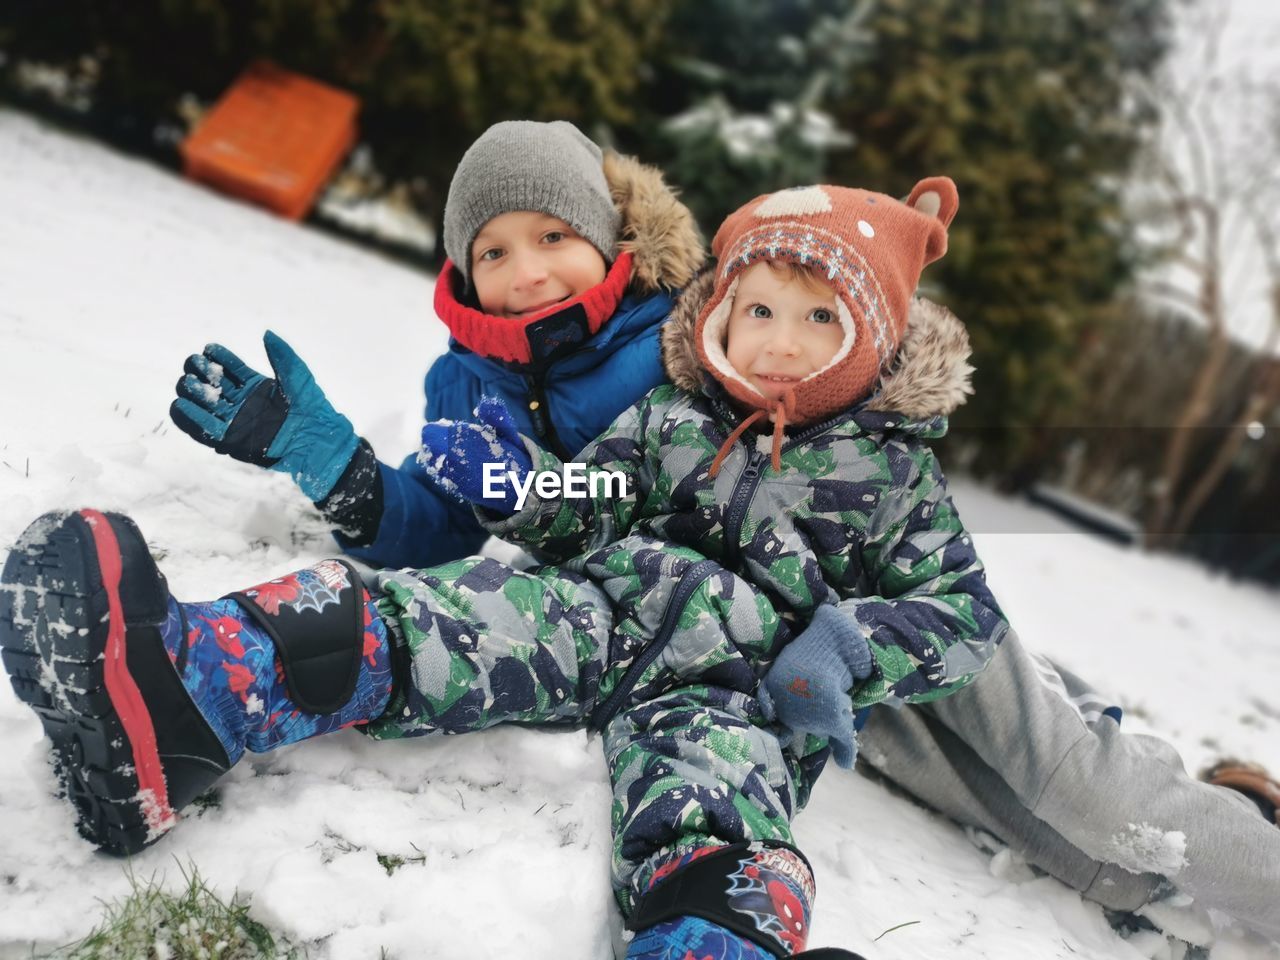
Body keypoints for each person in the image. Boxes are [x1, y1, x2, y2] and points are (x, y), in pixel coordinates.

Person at [0, 177, 998, 959]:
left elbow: (961, 615)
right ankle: (185, 697)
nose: (782, 343)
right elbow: (598, 503)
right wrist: (526, 494)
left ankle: (719, 944)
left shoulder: (891, 476)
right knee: (428, 620)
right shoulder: (668, 416)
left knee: (717, 813)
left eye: (820, 319)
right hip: (598, 606)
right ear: (719, 314)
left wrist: (843, 651)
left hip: (737, 688)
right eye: (762, 310)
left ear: (872, 343)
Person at [168, 120, 704, 571]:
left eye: (553, 237)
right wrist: (339, 471)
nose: (528, 274)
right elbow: (445, 523)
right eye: (494, 253)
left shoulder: (680, 346)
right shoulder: (464, 382)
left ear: (609, 242)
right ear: (467, 279)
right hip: (574, 624)